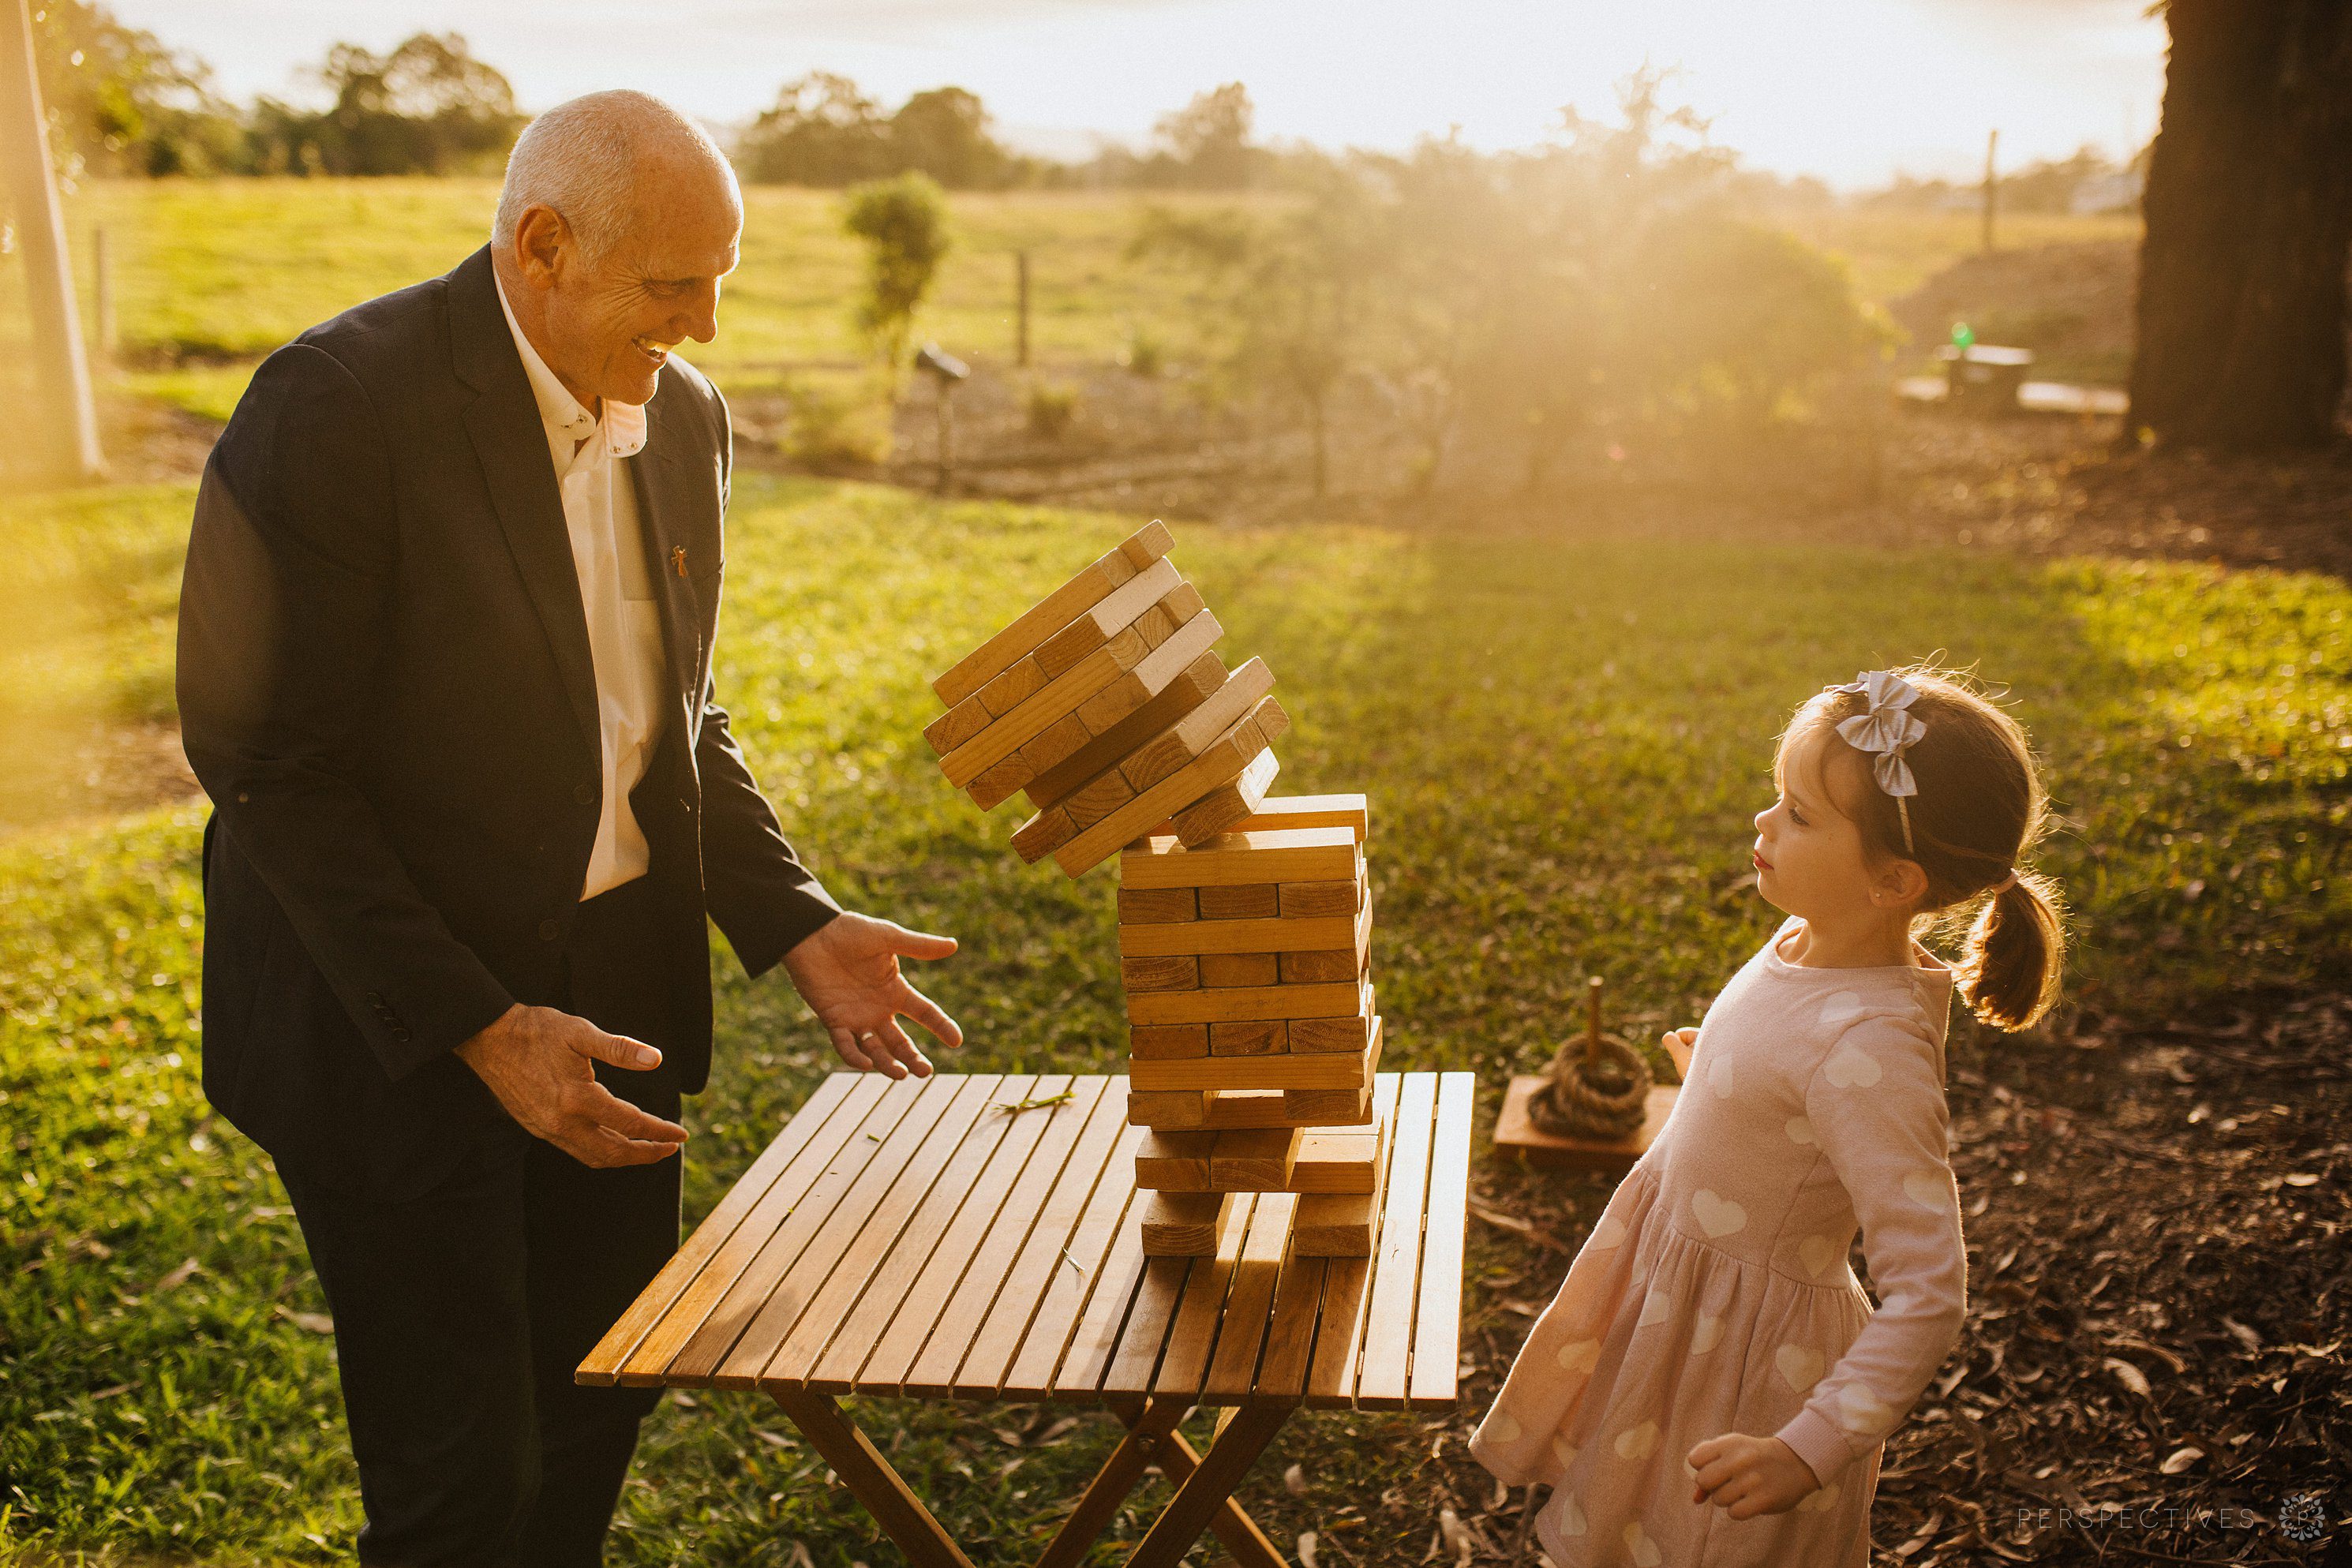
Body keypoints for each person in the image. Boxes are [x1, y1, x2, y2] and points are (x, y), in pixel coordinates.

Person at [174, 90, 963, 1566]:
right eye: (676, 285)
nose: (708, 327)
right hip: (394, 1031)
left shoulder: (687, 416)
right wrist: (480, 1022)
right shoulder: (336, 405)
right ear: (544, 245)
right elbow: (265, 758)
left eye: (722, 280)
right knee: (461, 1484)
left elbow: (670, 718)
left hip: (616, 1005)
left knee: (599, 1405)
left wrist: (794, 917)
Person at [1468, 665, 2069, 1566]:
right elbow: (1793, 1095)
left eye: (1799, 815)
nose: (1763, 824)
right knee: (1637, 1525)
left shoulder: (1873, 1053)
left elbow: (1929, 1292)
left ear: (1892, 880)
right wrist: (1720, 1081)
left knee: (1698, 1540)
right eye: (1775, 797)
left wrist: (1806, 1445)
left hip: (1751, 1373)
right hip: (1684, 1308)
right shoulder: (1805, 941)